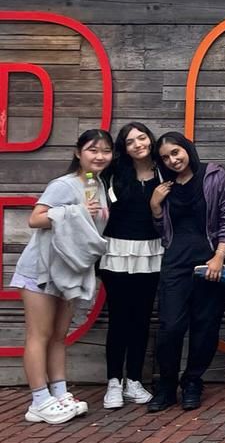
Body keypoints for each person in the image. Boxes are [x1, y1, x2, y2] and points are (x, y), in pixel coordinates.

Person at [12, 129, 113, 424]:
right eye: (93, 150)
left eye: (106, 151)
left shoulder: (97, 184)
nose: (100, 156)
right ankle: (39, 400)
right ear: (78, 152)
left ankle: (59, 392)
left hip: (67, 273)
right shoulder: (63, 185)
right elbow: (35, 219)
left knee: (58, 336)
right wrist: (74, 211)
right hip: (40, 270)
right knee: (39, 335)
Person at [149, 132, 225, 412]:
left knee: (205, 327)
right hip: (175, 262)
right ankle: (165, 385)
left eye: (176, 152)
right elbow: (162, 232)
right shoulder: (164, 187)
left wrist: (219, 256)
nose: (173, 160)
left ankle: (192, 381)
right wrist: (154, 206)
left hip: (210, 261)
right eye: (165, 157)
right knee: (170, 326)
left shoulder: (214, 176)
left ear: (187, 149)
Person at [99, 122, 163, 409]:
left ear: (150, 139)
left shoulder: (165, 172)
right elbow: (86, 181)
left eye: (142, 137)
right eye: (130, 141)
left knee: (141, 319)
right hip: (116, 251)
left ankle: (134, 380)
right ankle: (113, 381)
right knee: (118, 319)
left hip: (151, 251)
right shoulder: (113, 174)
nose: (138, 144)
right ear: (123, 149)